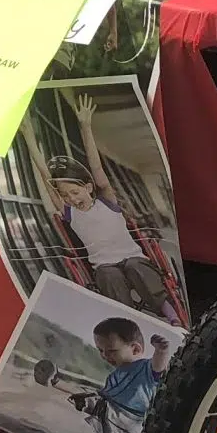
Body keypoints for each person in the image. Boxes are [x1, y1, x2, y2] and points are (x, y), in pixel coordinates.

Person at [46, 113, 179, 324]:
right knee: (110, 277)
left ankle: (170, 315)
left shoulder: (107, 201)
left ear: (88, 187)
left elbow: (97, 168)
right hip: (104, 267)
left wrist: (86, 127)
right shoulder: (71, 214)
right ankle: (129, 323)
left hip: (133, 258)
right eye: (65, 195)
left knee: (137, 268)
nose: (71, 198)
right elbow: (48, 179)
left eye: (75, 191)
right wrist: (28, 138)